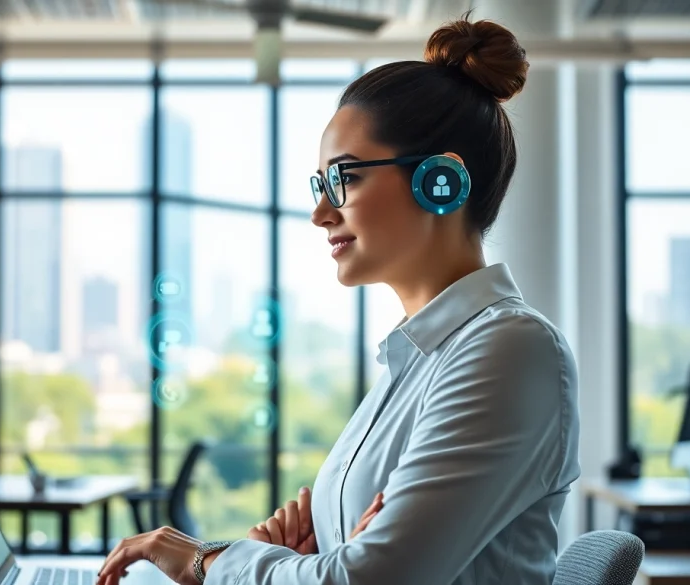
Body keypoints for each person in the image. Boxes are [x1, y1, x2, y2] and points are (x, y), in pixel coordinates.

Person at [97, 12, 580, 585]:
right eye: (319, 185)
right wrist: (312, 562)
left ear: (439, 182)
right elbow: (351, 570)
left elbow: (366, 578)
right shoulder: (421, 359)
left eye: (344, 179)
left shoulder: (508, 350)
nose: (321, 213)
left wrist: (210, 561)